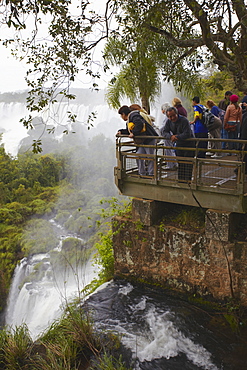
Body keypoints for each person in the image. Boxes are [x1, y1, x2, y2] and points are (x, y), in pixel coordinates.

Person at [117, 105, 158, 176]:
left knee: (150, 157)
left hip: (149, 139)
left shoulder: (134, 115)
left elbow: (140, 124)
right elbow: (129, 130)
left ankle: (151, 174)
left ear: (123, 114)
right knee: (139, 155)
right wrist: (121, 131)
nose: (121, 117)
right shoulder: (130, 119)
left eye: (121, 115)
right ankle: (142, 173)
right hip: (142, 141)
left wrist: (134, 133)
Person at [162, 106, 195, 181]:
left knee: (188, 164)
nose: (172, 118)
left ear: (177, 113)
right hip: (179, 144)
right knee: (180, 163)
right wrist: (170, 136)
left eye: (173, 115)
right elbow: (164, 132)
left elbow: (187, 133)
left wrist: (176, 137)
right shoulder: (168, 121)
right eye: (170, 116)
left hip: (189, 144)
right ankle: (181, 180)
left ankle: (187, 181)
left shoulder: (184, 120)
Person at [160, 102, 177, 170]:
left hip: (168, 136)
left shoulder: (166, 117)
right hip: (171, 134)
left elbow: (164, 127)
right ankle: (175, 163)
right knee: (171, 150)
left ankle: (170, 165)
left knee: (168, 150)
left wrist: (159, 131)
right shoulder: (168, 117)